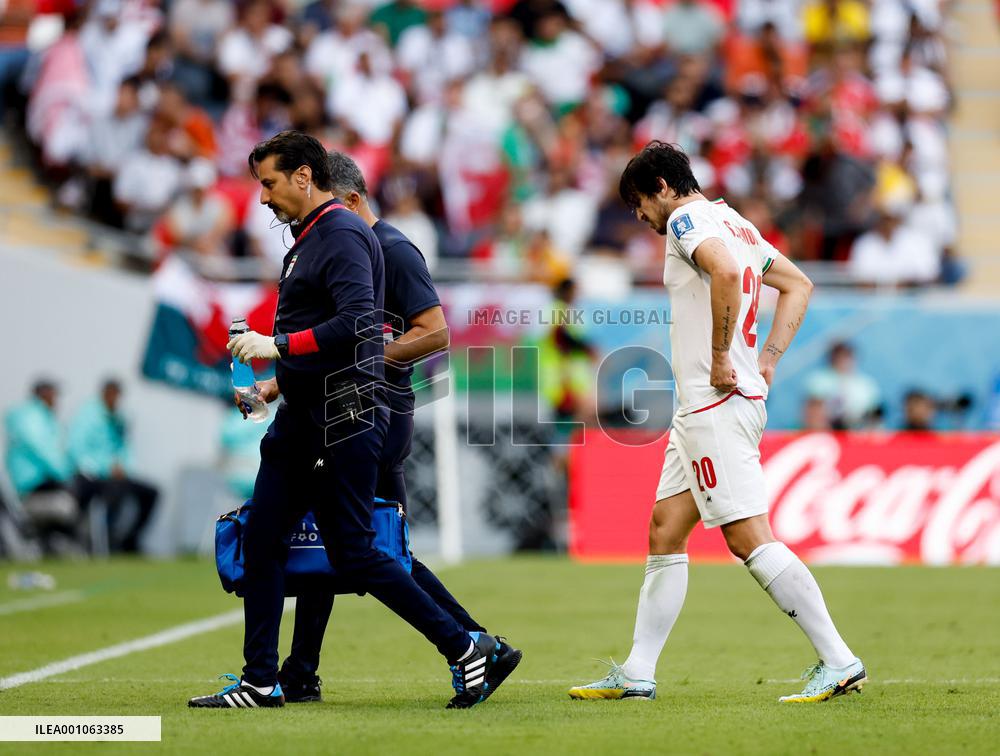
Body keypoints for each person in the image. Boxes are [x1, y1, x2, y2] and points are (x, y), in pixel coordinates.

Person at [188, 131, 511, 710]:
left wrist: (276, 343)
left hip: (345, 412)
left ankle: (465, 645)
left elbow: (359, 325)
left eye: (269, 183)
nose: (261, 198)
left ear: (304, 177)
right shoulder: (309, 239)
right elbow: (329, 333)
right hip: (313, 412)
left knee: (357, 552)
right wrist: (276, 378)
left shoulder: (341, 234)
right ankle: (266, 680)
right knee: (265, 540)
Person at [569, 141, 865, 703]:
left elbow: (725, 272)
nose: (641, 218)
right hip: (705, 408)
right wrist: (770, 358)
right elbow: (798, 284)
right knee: (665, 527)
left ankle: (839, 658)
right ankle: (637, 670)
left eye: (639, 204)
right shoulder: (736, 223)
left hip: (715, 404)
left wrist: (725, 355)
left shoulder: (685, 219)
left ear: (661, 186)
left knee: (747, 536)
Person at [67, 379, 159, 553]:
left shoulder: (119, 418)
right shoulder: (86, 416)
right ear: (104, 394)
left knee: (151, 493)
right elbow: (77, 451)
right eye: (112, 395)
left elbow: (123, 448)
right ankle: (107, 541)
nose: (115, 400)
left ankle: (130, 541)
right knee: (116, 490)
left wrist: (124, 468)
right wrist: (106, 468)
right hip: (93, 477)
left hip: (117, 476)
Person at [3, 380, 78, 551]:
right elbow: (44, 451)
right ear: (43, 394)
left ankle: (56, 541)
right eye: (53, 395)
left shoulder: (45, 418)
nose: (56, 400)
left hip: (42, 480)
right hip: (31, 483)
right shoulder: (31, 418)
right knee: (79, 490)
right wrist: (67, 473)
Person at [804, 341, 881, 430]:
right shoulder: (818, 381)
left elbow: (876, 415)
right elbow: (812, 412)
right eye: (840, 356)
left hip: (859, 431)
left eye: (847, 356)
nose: (843, 360)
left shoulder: (866, 385)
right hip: (828, 430)